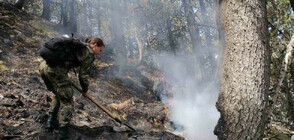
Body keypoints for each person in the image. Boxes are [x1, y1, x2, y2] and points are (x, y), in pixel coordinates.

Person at [39, 37, 105, 139]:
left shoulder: (78, 45)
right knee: (68, 102)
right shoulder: (88, 53)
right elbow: (83, 76)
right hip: (56, 70)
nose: (99, 53)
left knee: (58, 94)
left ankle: (50, 123)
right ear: (95, 45)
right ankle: (63, 134)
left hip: (44, 67)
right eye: (100, 50)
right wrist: (85, 90)